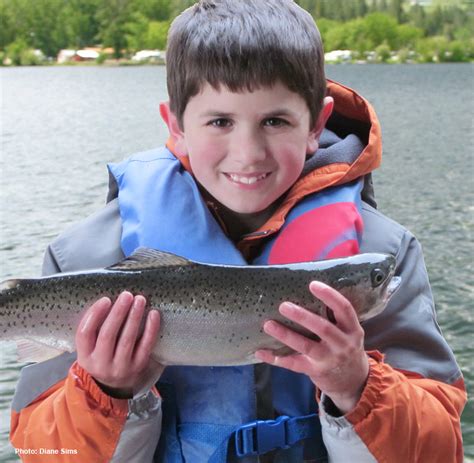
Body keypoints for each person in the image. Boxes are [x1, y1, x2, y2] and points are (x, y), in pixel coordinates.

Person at [10, 1, 466, 462]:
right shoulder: (80, 257)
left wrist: (356, 385)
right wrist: (105, 392)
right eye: (220, 122)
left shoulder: (384, 251)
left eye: (274, 121)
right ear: (176, 125)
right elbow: (41, 450)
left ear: (317, 125)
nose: (248, 153)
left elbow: (439, 450)